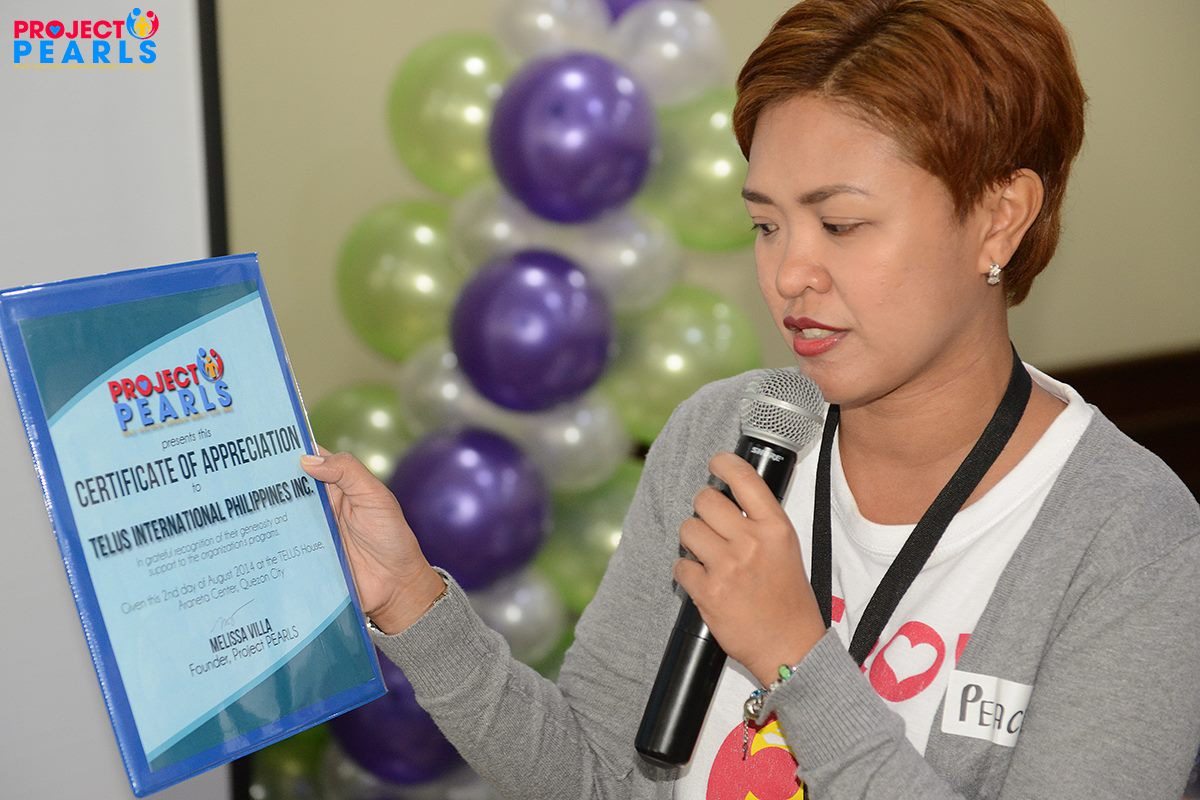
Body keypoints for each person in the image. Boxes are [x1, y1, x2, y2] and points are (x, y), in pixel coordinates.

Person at [301, 0, 1200, 796]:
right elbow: (599, 778)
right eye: (767, 224)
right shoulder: (724, 435)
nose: (789, 273)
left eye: (840, 224)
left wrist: (795, 657)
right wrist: (411, 601)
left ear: (1000, 218)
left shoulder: (1132, 538)